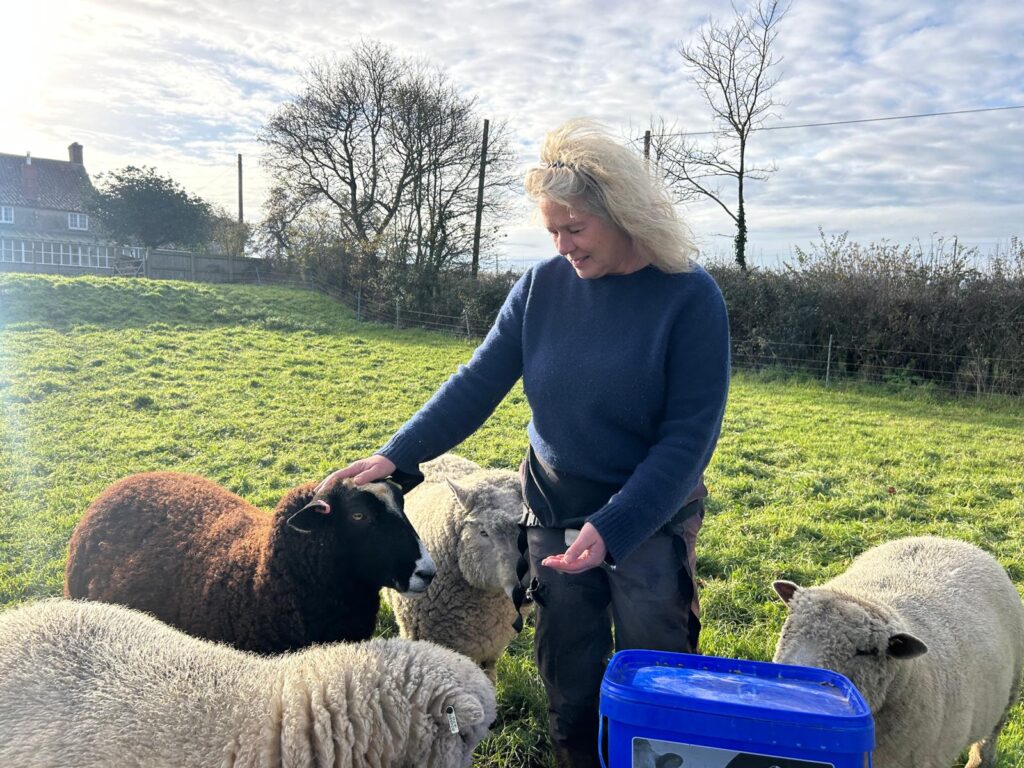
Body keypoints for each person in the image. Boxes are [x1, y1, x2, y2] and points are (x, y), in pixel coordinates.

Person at [320, 118, 730, 767]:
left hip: (649, 513)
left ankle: (656, 756)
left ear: (623, 214)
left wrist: (616, 525)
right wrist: (398, 452)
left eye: (576, 229)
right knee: (566, 658)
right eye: (552, 232)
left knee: (655, 659)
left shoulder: (690, 298)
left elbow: (689, 439)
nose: (563, 246)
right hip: (553, 506)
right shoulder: (542, 288)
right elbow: (477, 382)